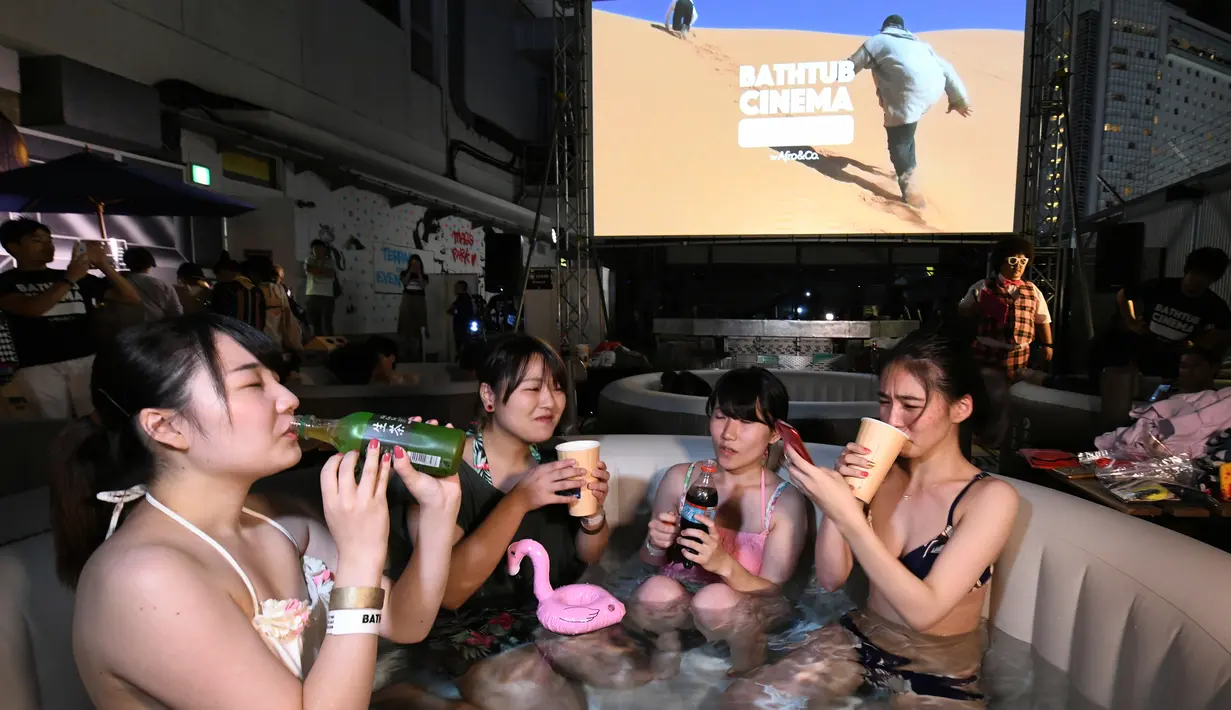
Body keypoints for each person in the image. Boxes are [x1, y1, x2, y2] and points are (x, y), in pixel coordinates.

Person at [49, 313, 467, 709]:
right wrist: (359, 559)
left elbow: (405, 621)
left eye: (277, 380)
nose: (288, 398)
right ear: (166, 427)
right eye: (252, 385)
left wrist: (436, 513)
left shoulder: (277, 519)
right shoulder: (143, 580)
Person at [723, 330, 1020, 708]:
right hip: (860, 639)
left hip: (939, 667)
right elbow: (831, 579)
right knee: (741, 699)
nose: (893, 420)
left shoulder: (989, 498)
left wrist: (849, 517)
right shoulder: (882, 476)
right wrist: (846, 496)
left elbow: (925, 613)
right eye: (885, 401)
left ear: (959, 409)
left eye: (910, 405)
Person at [387, 335, 615, 707]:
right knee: (546, 697)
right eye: (532, 388)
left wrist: (594, 514)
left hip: (544, 616)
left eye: (557, 388)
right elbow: (448, 591)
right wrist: (521, 499)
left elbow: (589, 555)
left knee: (631, 672)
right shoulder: (446, 469)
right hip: (463, 628)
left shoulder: (554, 462)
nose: (550, 401)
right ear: (489, 397)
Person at [632, 367, 809, 676]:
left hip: (741, 613)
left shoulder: (784, 503)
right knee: (655, 590)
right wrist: (655, 542)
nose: (729, 434)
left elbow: (773, 595)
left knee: (716, 597)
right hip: (680, 605)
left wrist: (722, 564)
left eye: (746, 421)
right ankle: (667, 644)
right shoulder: (680, 480)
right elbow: (647, 561)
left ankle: (745, 669)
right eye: (720, 416)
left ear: (775, 432)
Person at [0, 219, 141, 418]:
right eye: (37, 240)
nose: (48, 246)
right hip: (37, 365)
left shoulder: (75, 276)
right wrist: (69, 279)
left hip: (85, 358)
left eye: (49, 240)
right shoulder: (6, 282)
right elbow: (32, 308)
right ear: (13, 247)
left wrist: (103, 265)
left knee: (96, 418)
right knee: (52, 424)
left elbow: (131, 297)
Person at [848, 15, 972, 208]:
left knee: (899, 142)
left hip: (907, 94)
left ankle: (911, 192)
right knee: (907, 133)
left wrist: (829, 75)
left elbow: (852, 65)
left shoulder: (878, 41)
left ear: (885, 28)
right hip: (931, 92)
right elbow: (947, 68)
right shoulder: (922, 46)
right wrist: (959, 99)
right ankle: (911, 171)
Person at [1118, 247, 1231, 377]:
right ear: (1187, 270)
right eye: (1194, 274)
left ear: (1212, 280)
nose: (1196, 281)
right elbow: (1123, 294)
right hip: (1142, 351)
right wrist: (1131, 322)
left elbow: (1225, 329)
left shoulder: (1213, 304)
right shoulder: (1160, 286)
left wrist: (1199, 343)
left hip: (1175, 362)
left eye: (1204, 278)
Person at [959, 236, 1053, 381]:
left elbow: (1042, 319)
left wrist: (1047, 344)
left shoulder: (1032, 290)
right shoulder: (983, 286)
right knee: (987, 390)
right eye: (1012, 261)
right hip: (987, 351)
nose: (1018, 266)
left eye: (1023, 261)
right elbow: (963, 312)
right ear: (1000, 262)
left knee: (1015, 392)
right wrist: (977, 308)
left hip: (1020, 354)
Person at [248, 256, 303, 354]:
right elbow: (289, 322)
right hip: (275, 344)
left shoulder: (249, 291)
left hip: (256, 345)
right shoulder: (278, 290)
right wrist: (296, 346)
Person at [117, 246, 182, 321]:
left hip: (127, 330)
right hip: (158, 329)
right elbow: (177, 312)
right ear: (149, 264)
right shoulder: (163, 285)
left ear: (127, 263)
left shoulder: (119, 283)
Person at [210, 258, 267, 331]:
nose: (217, 278)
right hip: (254, 335)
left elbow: (217, 315)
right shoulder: (256, 291)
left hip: (232, 334)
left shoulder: (223, 288)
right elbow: (262, 319)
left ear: (225, 271)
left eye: (218, 274)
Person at [304, 239, 338, 336]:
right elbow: (311, 270)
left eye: (320, 249)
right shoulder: (309, 260)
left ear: (324, 249)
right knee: (315, 322)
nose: (318, 251)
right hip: (313, 295)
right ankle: (319, 344)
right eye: (316, 249)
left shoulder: (330, 261)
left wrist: (318, 270)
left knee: (327, 322)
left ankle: (331, 345)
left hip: (327, 296)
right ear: (312, 250)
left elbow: (330, 273)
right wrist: (322, 271)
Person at [399, 254, 430, 361]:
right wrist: (410, 272)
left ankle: (417, 353)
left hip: (419, 300)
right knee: (405, 323)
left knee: (419, 324)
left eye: (417, 262)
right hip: (408, 299)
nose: (415, 264)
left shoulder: (424, 276)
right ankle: (405, 353)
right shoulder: (404, 273)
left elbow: (422, 286)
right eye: (413, 262)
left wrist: (418, 273)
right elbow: (404, 283)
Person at [447, 281, 478, 360]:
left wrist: (455, 311)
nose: (455, 289)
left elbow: (452, 310)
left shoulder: (463, 298)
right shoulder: (462, 298)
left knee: (463, 345)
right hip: (462, 326)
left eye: (457, 287)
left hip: (462, 327)